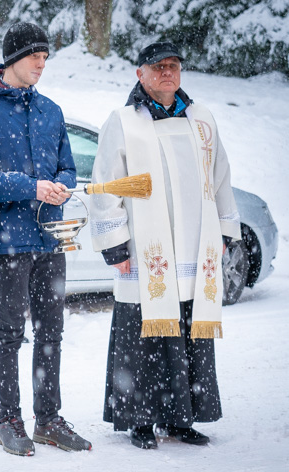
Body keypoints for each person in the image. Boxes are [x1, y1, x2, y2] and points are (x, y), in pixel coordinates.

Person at [90, 41, 241, 449]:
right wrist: (115, 244)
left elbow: (221, 175)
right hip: (146, 250)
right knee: (146, 338)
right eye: (158, 67)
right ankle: (140, 419)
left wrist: (226, 231)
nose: (167, 73)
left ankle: (181, 418)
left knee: (189, 332)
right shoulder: (123, 121)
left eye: (173, 66)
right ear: (140, 74)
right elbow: (106, 186)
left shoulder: (201, 119)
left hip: (194, 250)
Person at [0, 22, 92, 456]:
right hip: (4, 241)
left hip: (50, 238)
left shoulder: (51, 110)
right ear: (13, 57)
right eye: (35, 55)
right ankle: (8, 420)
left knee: (51, 331)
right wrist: (30, 187)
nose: (41, 63)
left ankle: (48, 419)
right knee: (9, 332)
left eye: (46, 57)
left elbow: (67, 167)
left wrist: (63, 185)